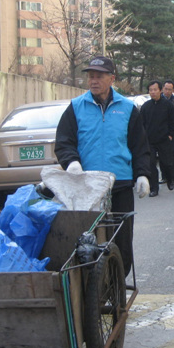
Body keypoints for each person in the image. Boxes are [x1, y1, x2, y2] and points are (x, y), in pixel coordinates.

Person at [55, 55, 151, 276]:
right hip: (87, 185)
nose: (94, 81)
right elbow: (64, 141)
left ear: (112, 79)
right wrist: (72, 162)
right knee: (87, 240)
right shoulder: (76, 107)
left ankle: (118, 282)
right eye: (91, 76)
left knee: (122, 238)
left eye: (99, 76)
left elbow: (139, 146)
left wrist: (143, 174)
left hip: (120, 183)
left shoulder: (127, 108)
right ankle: (91, 283)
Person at [140, 80, 174, 197]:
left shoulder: (168, 105)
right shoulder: (146, 106)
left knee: (167, 163)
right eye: (150, 90)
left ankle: (170, 178)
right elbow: (141, 124)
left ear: (160, 90)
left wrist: (171, 134)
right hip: (149, 140)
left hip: (164, 139)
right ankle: (154, 188)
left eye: (155, 90)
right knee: (151, 164)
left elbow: (173, 121)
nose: (153, 92)